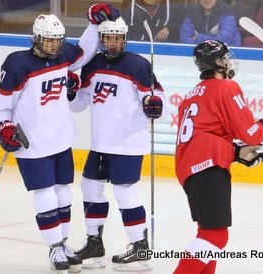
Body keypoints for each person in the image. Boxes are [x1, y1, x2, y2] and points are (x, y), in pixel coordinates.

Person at [0, 3, 120, 273]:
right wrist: (3, 127)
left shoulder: (63, 54)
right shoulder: (17, 63)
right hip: (32, 143)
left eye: (57, 41)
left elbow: (83, 51)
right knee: (46, 193)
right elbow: (0, 106)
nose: (53, 46)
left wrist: (94, 23)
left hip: (61, 138)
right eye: (48, 41)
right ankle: (54, 248)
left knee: (63, 193)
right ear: (37, 38)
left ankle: (63, 243)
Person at [67, 16, 169, 271]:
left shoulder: (138, 65)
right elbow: (80, 104)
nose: (112, 43)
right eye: (108, 38)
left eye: (117, 38)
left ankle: (140, 248)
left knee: (124, 193)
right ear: (101, 39)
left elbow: (160, 103)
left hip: (127, 144)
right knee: (90, 188)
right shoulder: (93, 65)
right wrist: (71, 92)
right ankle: (94, 243)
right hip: (101, 144)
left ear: (124, 39)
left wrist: (155, 107)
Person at [173, 40, 263, 274]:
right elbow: (249, 133)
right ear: (216, 63)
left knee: (207, 234)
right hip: (208, 169)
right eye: (224, 58)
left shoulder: (192, 95)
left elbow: (203, 136)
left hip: (191, 169)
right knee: (216, 236)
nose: (228, 61)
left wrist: (235, 153)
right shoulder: (226, 87)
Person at [121, 0, 185, 42]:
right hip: (136, 48)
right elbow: (123, 28)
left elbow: (182, 21)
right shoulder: (129, 4)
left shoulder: (172, 4)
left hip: (162, 49)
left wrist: (169, 28)